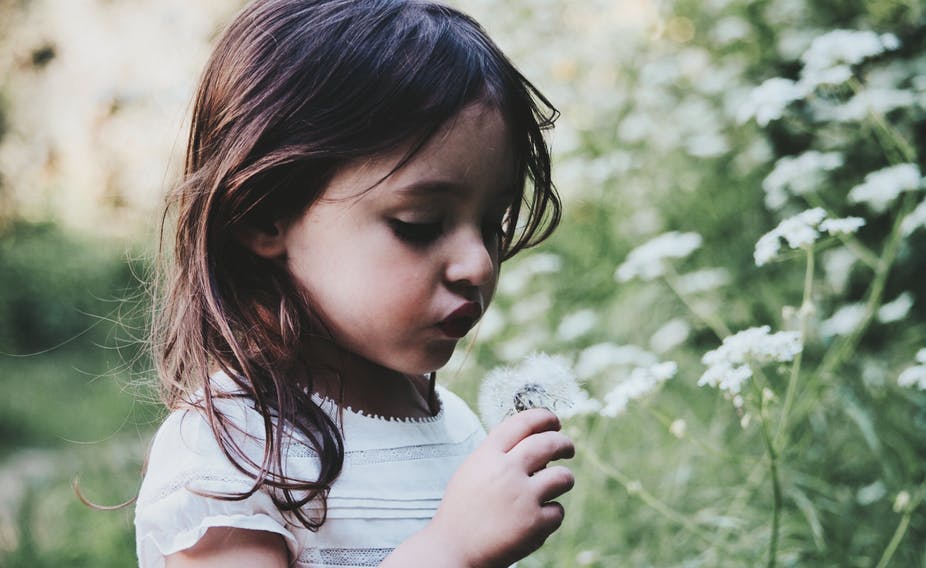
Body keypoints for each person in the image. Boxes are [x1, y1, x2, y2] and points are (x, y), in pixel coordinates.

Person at [134, 1, 574, 566]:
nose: (479, 264)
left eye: (493, 224)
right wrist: (451, 549)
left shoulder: (457, 427)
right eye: (419, 225)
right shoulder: (232, 450)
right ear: (264, 214)